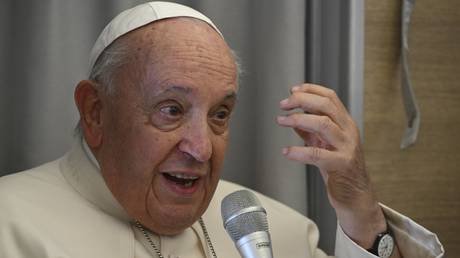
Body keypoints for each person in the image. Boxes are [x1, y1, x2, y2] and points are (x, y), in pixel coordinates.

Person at [0, 2, 444, 258]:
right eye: (171, 110)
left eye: (219, 114)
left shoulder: (276, 231)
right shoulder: (9, 225)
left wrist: (361, 213)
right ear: (96, 113)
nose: (201, 149)